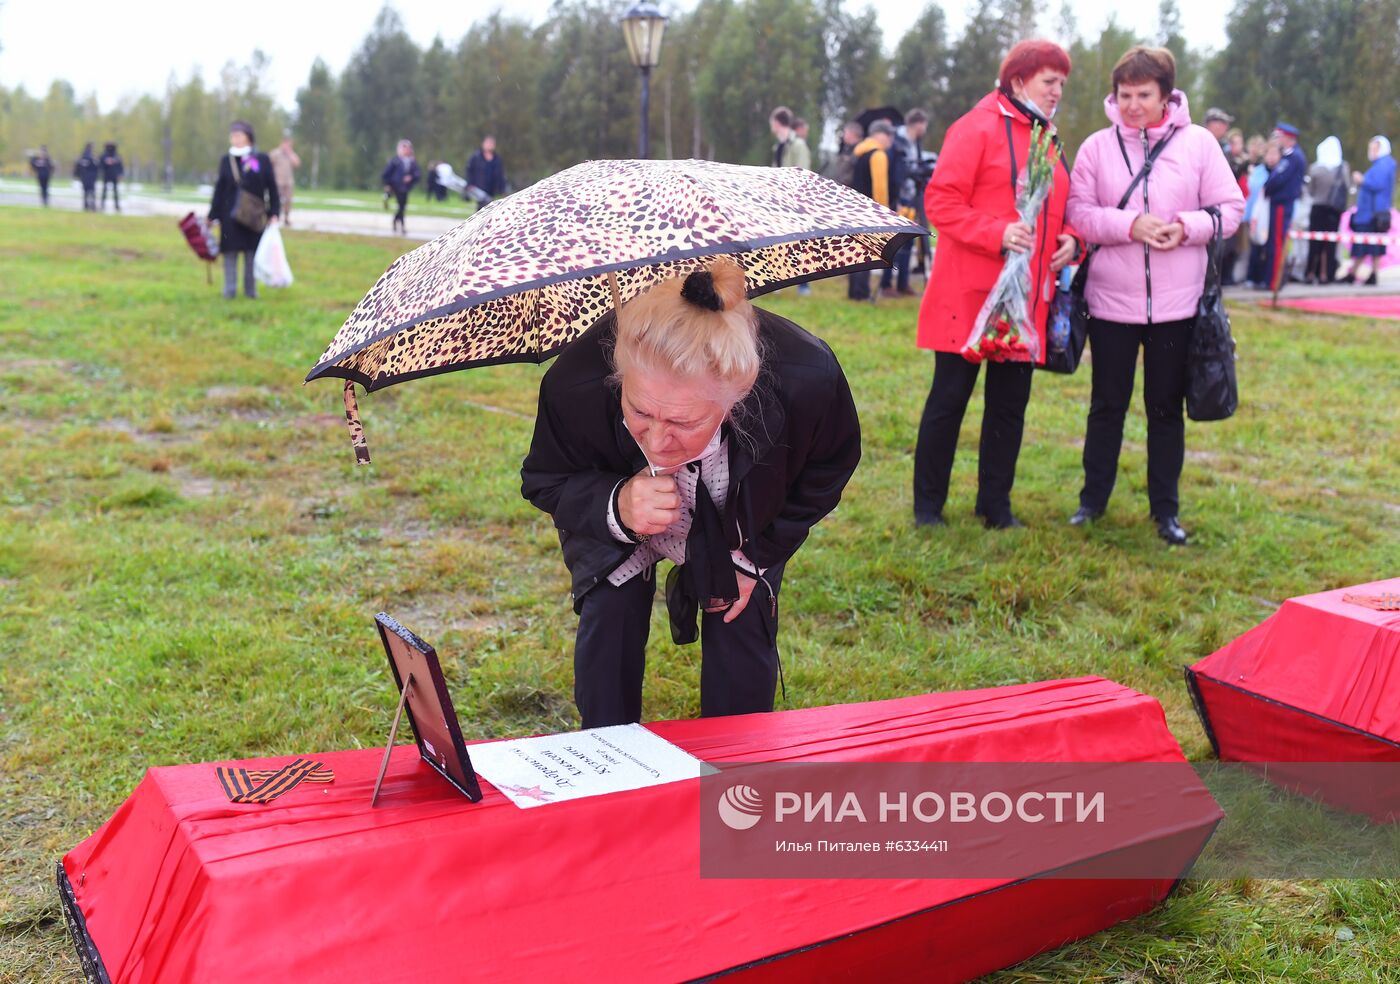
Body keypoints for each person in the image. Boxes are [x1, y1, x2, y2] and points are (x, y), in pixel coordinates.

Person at [520, 259, 861, 728]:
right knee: (611, 616)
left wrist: (755, 559)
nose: (657, 442)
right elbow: (545, 478)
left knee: (740, 618)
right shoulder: (573, 384)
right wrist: (616, 504)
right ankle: (604, 755)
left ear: (737, 399)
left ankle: (735, 763)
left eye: (684, 422)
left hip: (739, 518)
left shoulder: (805, 377)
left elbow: (829, 467)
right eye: (639, 412)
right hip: (619, 510)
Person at [1065, 45, 1243, 545]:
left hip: (1177, 305)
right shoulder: (1097, 147)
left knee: (1165, 409)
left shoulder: (1200, 145)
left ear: (1167, 94)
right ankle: (1091, 502)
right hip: (1111, 303)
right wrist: (1129, 225)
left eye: (1144, 94)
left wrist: (1187, 227)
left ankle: (1165, 511)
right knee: (1107, 406)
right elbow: (1078, 212)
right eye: (1124, 94)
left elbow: (1230, 209)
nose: (1133, 104)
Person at [912, 40, 1080, 529]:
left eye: (1062, 85)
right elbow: (940, 202)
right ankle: (928, 507)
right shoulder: (974, 127)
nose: (1057, 93)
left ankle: (995, 505)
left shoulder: (1049, 139)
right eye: (1050, 82)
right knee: (949, 401)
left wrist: (1074, 240)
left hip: (1026, 302)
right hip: (969, 295)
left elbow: (1060, 213)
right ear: (1019, 80)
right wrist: (996, 233)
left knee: (1009, 407)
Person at [208, 121, 281, 300]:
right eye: (232, 135)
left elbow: (271, 187)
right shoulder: (227, 160)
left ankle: (251, 291)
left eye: (238, 134)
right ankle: (229, 291)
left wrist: (274, 212)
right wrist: (213, 214)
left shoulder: (261, 159)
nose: (235, 138)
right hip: (229, 215)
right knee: (230, 253)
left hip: (254, 215)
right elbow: (220, 188)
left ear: (248, 137)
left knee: (251, 254)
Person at [847, 120, 897, 301]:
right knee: (867, 254)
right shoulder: (878, 155)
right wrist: (884, 214)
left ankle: (854, 292)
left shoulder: (859, 152)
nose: (891, 139)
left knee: (854, 253)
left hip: (854, 207)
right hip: (869, 211)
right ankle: (862, 294)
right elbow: (880, 188)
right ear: (879, 135)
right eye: (888, 134)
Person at [880, 109, 928, 298]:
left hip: (911, 196)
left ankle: (902, 283)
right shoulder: (897, 142)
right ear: (919, 124)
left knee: (908, 241)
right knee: (892, 242)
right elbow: (894, 172)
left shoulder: (914, 142)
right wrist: (894, 199)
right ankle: (885, 284)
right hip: (898, 198)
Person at [1337, 136, 1396, 286]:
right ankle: (1363, 274)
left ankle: (1358, 274)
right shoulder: (1380, 164)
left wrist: (1362, 180)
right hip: (1372, 212)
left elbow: (1378, 184)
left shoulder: (1384, 164)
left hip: (1372, 214)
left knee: (1366, 245)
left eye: (1374, 148)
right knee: (1371, 245)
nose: (1371, 151)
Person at [1260, 122, 1307, 292]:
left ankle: (1274, 281)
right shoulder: (1288, 156)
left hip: (1282, 204)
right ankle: (1271, 279)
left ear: (1288, 138)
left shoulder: (1293, 157)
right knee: (1274, 242)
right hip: (1278, 203)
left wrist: (1267, 187)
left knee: (1277, 243)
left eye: (1279, 137)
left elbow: (1276, 180)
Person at [1305, 136, 1349, 284]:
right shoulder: (1343, 167)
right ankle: (1326, 274)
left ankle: (1310, 273)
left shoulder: (1315, 168)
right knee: (1329, 244)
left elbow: (1311, 191)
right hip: (1334, 211)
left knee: (1314, 243)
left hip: (1317, 208)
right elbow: (1346, 187)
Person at [1243, 135, 1272, 286]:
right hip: (1254, 214)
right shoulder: (1257, 171)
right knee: (1253, 246)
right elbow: (1251, 192)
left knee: (1265, 248)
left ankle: (1262, 277)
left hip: (1267, 216)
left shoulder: (1274, 173)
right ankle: (1250, 277)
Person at [381, 139, 421, 235]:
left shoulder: (412, 162)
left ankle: (396, 221)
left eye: (408, 148)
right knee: (401, 207)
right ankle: (401, 227)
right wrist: (387, 185)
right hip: (396, 186)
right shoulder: (395, 161)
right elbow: (386, 174)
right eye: (404, 148)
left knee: (402, 207)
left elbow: (417, 174)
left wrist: (411, 177)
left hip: (405, 188)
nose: (407, 150)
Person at [268, 134, 301, 226]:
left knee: (288, 201)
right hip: (277, 181)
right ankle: (275, 216)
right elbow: (268, 163)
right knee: (276, 200)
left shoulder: (291, 154)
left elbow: (297, 164)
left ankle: (286, 218)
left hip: (288, 182)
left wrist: (290, 154)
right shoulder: (275, 153)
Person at [465, 135, 506, 208]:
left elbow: (500, 175)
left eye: (491, 143)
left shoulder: (496, 159)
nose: (489, 145)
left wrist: (502, 189)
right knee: (481, 207)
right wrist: (470, 183)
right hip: (479, 187)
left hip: (491, 188)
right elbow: (469, 171)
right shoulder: (476, 157)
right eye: (488, 143)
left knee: (490, 207)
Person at [822, 120, 865, 187]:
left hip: (848, 189)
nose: (843, 135)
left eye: (845, 132)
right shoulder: (847, 148)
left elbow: (853, 174)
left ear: (851, 133)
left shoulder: (860, 150)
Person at [74, 143, 99, 212]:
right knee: (92, 192)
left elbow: (78, 166)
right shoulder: (92, 157)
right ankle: (92, 206)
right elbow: (96, 167)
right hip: (91, 177)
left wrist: (77, 175)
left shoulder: (82, 157)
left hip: (84, 177)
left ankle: (86, 206)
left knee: (85, 192)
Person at [99, 142, 124, 212]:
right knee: (104, 191)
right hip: (106, 175)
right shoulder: (104, 156)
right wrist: (106, 162)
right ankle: (102, 205)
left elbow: (120, 166)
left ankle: (116, 206)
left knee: (115, 191)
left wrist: (120, 174)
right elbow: (100, 165)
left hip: (114, 175)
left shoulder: (117, 156)